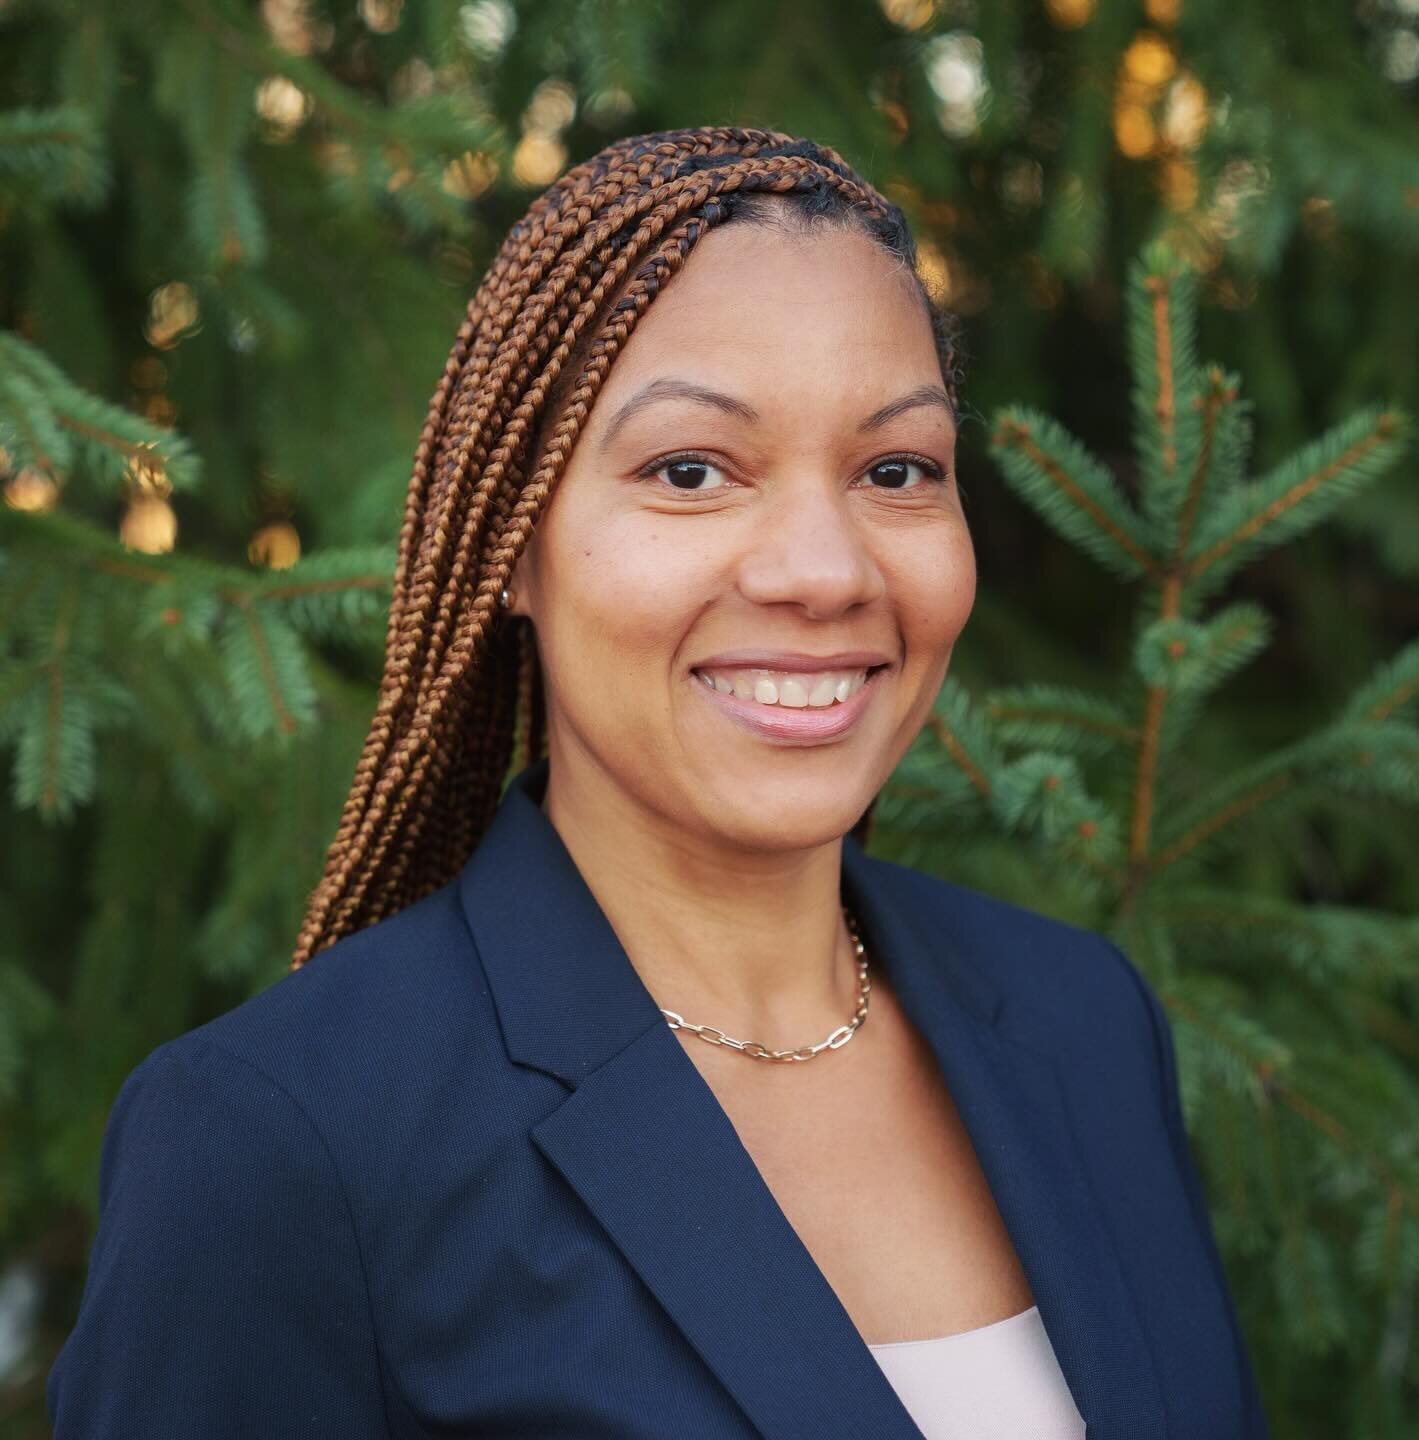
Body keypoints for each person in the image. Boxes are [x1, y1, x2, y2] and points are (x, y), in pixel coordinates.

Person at [47, 126, 1268, 1439]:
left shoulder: (1079, 1022)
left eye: (895, 470)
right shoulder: (288, 1141)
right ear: (512, 546)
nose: (824, 570)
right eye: (691, 471)